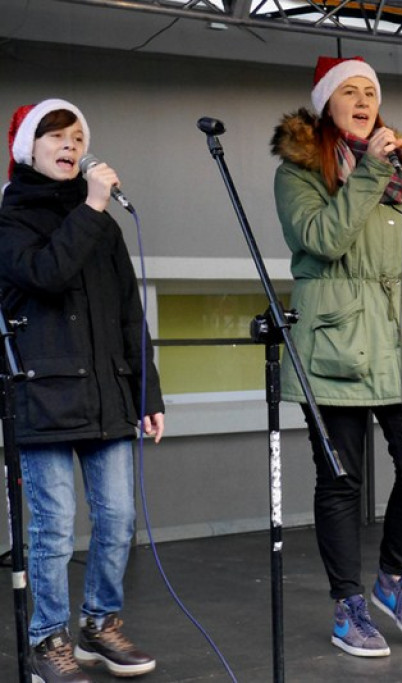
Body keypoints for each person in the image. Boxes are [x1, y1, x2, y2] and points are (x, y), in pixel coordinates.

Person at [271, 56, 402, 657]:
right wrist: (370, 171)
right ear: (326, 103)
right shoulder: (299, 171)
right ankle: (348, 605)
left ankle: (393, 578)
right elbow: (321, 240)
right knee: (341, 481)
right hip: (336, 346)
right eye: (349, 90)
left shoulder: (400, 173)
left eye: (370, 90)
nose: (363, 98)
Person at [0, 99, 164, 682]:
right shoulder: (10, 216)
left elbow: (128, 313)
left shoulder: (103, 224)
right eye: (56, 137)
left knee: (119, 516)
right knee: (53, 526)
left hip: (108, 395)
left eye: (77, 137)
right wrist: (93, 205)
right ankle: (49, 639)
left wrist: (149, 395)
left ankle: (99, 624)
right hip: (41, 396)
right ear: (28, 147)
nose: (70, 146)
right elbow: (45, 274)